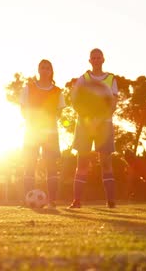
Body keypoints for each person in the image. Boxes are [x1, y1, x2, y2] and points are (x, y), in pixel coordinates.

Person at [68, 48, 118, 209]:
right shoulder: (83, 79)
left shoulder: (111, 79)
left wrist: (100, 118)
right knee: (82, 162)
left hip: (104, 124)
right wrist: (89, 119)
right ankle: (76, 201)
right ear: (90, 61)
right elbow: (75, 101)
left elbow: (113, 103)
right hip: (85, 125)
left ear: (103, 60)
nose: (96, 60)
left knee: (105, 162)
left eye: (99, 57)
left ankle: (110, 201)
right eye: (93, 58)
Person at [20, 59, 65, 207]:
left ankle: (52, 201)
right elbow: (23, 108)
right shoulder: (29, 88)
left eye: (47, 68)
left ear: (51, 71)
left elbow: (59, 112)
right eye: (42, 68)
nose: (45, 70)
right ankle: (28, 200)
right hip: (32, 132)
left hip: (50, 134)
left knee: (51, 166)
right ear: (38, 70)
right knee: (29, 165)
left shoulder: (57, 91)